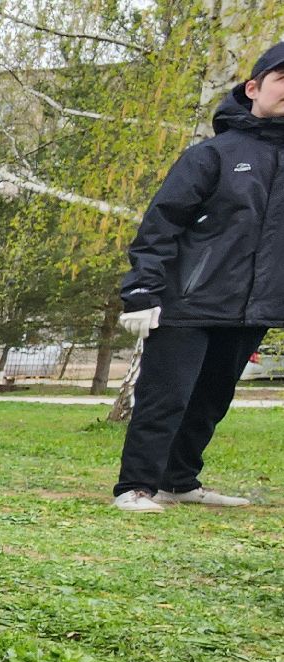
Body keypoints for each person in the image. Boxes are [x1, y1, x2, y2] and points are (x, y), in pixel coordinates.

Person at [113, 42, 284, 513]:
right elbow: (161, 225)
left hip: (253, 306)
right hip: (186, 300)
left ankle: (178, 481)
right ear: (254, 88)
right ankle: (137, 486)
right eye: (283, 80)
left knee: (211, 401)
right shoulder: (212, 155)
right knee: (165, 397)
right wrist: (142, 291)